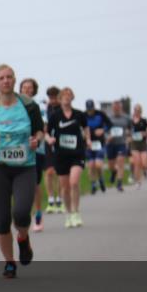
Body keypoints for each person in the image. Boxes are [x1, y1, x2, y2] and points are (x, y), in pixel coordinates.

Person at [0, 65, 44, 278]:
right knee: (2, 220)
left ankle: (23, 238)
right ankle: (9, 262)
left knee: (21, 213)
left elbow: (40, 131)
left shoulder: (29, 106)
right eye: (1, 78)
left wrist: (36, 140)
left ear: (14, 80)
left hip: (25, 167)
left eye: (9, 77)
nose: (5, 81)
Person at [45, 88, 88, 228]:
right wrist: (49, 139)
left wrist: (88, 139)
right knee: (65, 187)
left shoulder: (79, 114)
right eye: (64, 95)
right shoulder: (55, 116)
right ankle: (68, 214)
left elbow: (86, 128)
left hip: (77, 153)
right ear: (60, 99)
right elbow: (46, 132)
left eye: (69, 95)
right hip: (61, 155)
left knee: (74, 182)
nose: (67, 97)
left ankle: (76, 213)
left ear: (72, 98)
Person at [20, 78, 47, 231]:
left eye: (30, 87)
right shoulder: (14, 105)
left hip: (36, 150)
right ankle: (22, 215)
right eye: (24, 87)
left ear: (34, 90)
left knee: (35, 184)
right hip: (17, 150)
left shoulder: (40, 107)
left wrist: (37, 139)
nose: (27, 90)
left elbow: (43, 127)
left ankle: (38, 214)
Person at [42, 86, 63, 213]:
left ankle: (60, 199)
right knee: (49, 172)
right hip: (49, 142)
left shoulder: (64, 108)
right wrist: (47, 137)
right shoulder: (46, 108)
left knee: (59, 172)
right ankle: (50, 200)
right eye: (51, 98)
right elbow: (44, 126)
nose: (53, 100)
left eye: (55, 97)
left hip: (62, 143)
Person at [105, 100, 133, 192]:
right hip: (111, 144)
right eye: (115, 107)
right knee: (111, 166)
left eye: (118, 107)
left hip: (121, 143)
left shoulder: (126, 118)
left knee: (120, 162)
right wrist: (107, 137)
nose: (116, 109)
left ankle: (119, 183)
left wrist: (129, 137)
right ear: (112, 108)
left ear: (121, 108)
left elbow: (132, 129)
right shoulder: (108, 118)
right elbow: (104, 130)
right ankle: (114, 172)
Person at [84, 99, 111, 194]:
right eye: (88, 109)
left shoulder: (100, 114)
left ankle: (101, 179)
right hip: (88, 144)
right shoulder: (83, 115)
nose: (90, 111)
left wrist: (103, 130)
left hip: (100, 143)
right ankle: (93, 185)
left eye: (91, 109)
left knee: (98, 165)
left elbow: (109, 124)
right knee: (91, 165)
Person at [128, 104, 147, 189]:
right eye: (136, 110)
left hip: (143, 144)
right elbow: (127, 131)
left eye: (138, 110)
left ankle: (144, 172)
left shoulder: (144, 121)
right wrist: (129, 136)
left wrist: (146, 133)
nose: (137, 112)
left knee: (144, 163)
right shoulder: (130, 121)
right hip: (134, 144)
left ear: (141, 112)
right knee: (137, 162)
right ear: (134, 111)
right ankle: (138, 181)